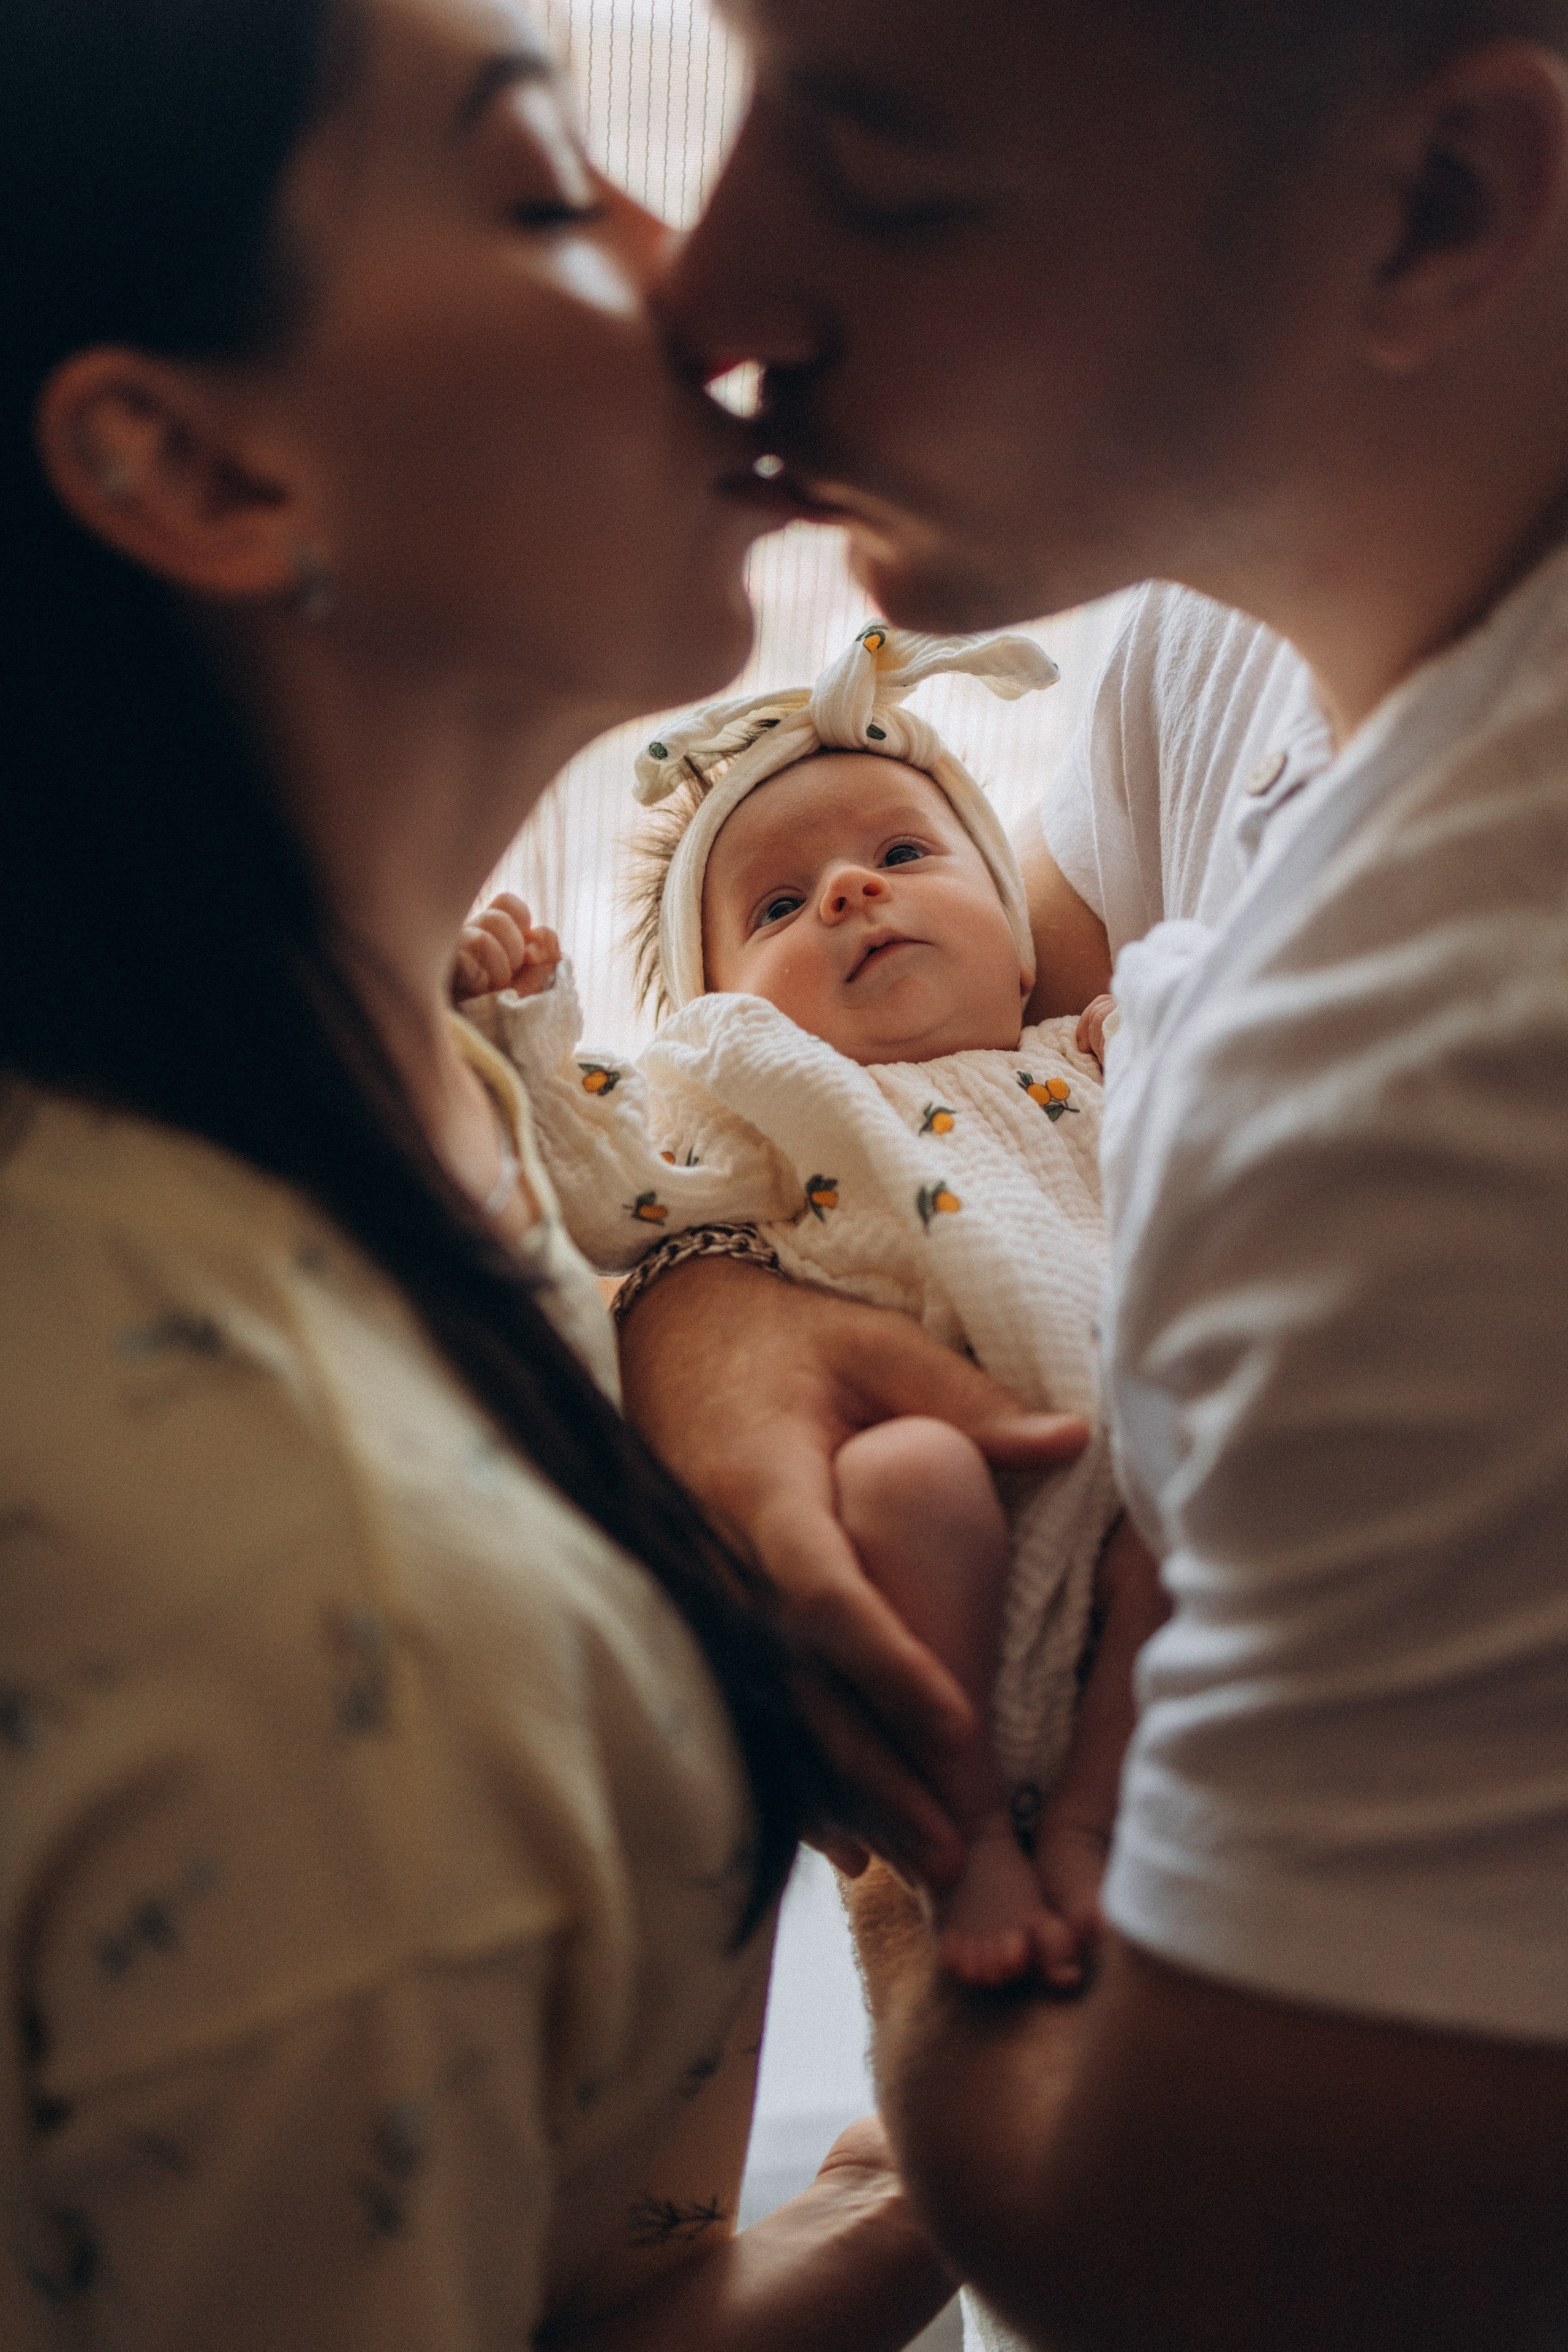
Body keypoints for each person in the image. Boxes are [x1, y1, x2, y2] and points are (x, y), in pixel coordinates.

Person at [0, 1, 1082, 2343]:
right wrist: (1002, 2143)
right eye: (532, 187)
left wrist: (914, 2175)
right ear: (193, 467)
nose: (700, 274)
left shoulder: (419, 1112)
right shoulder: (314, 1604)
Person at [601, 1, 1568, 2345]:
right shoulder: (1221, 627)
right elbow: (946, 1046)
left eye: (893, 168)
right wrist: (719, 1309)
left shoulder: (1453, 1053)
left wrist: (908, 1825)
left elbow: (1216, 2249)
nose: (702, 292)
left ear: (1435, 208)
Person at [458, 622, 1164, 1989]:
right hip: (966, 1520)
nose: (847, 891)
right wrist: (529, 1021)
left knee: (1188, 1524)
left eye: (903, 856)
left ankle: (1081, 1818)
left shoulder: (1082, 1051)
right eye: (777, 908)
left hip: (1132, 1476)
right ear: (733, 1018)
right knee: (906, 1477)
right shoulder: (779, 1120)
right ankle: (966, 1839)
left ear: (1026, 949)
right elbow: (610, 1193)